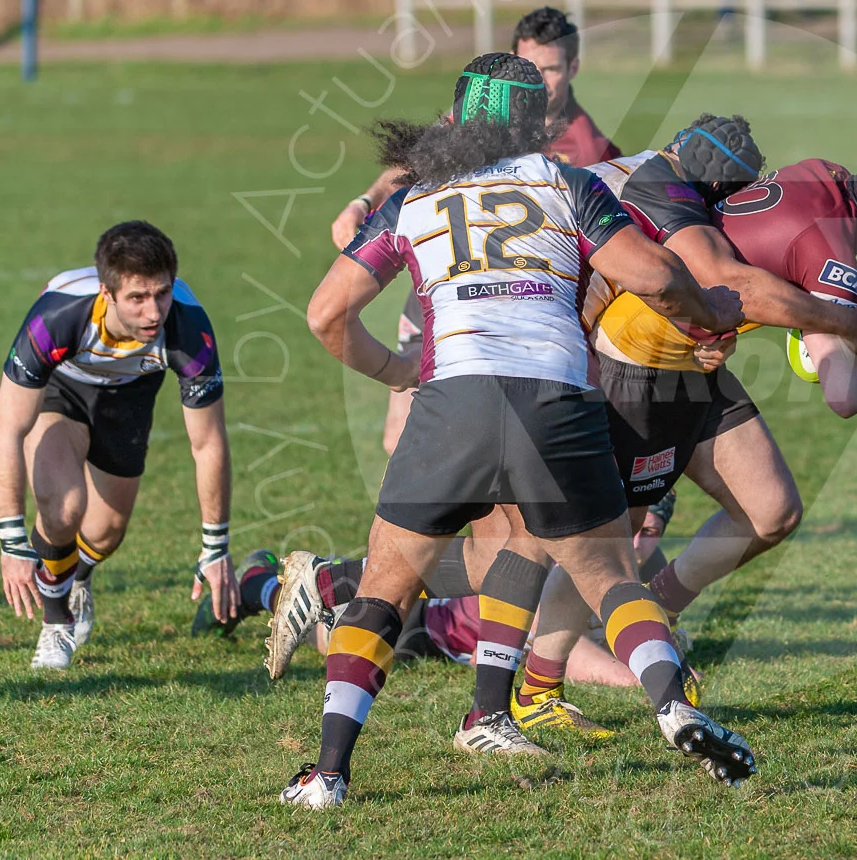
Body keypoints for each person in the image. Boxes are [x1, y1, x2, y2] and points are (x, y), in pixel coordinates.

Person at [279, 53, 753, 810]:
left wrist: (394, 374)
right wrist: (714, 313)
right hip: (555, 404)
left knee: (386, 587)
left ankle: (329, 772)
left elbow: (324, 313)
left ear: (456, 120)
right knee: (609, 578)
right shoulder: (569, 185)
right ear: (540, 124)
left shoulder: (416, 200)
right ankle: (674, 707)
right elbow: (656, 276)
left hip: (452, 405)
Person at [516, 135, 857, 726]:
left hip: (694, 361)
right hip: (638, 361)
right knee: (608, 540)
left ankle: (659, 607)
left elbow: (855, 237)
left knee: (772, 510)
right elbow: (842, 396)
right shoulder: (829, 254)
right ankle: (535, 691)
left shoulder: (829, 173)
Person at [328, 7, 621, 457]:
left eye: (553, 69)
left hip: (526, 311)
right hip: (444, 285)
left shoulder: (589, 152)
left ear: (573, 68)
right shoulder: (487, 106)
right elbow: (421, 164)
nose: (542, 80)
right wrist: (364, 203)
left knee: (493, 460)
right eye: (532, 67)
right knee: (400, 440)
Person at [0, 221, 237, 670]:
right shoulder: (58, 316)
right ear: (108, 294)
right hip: (60, 390)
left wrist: (215, 548)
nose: (153, 312)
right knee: (63, 509)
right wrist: (11, 541)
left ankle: (76, 577)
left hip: (131, 397)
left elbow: (208, 444)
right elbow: (7, 429)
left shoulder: (188, 331)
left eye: (161, 293)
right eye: (137, 298)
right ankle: (56, 622)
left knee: (106, 532)